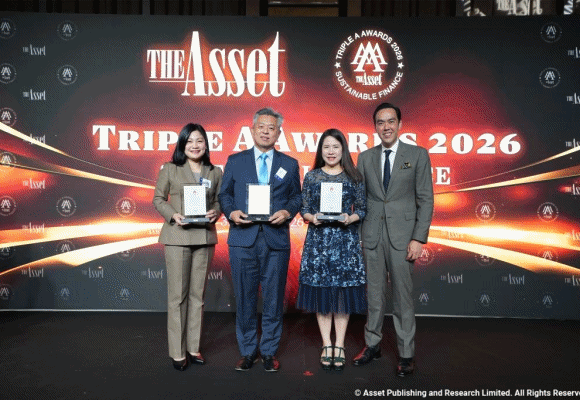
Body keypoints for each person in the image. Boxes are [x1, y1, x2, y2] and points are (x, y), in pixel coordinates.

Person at [353, 103, 434, 377]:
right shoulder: (365, 158)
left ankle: (406, 354)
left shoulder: (418, 154)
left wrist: (418, 238)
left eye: (390, 121)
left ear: (400, 124)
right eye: (380, 122)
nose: (385, 127)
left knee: (402, 298)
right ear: (374, 127)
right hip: (372, 235)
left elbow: (426, 199)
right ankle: (372, 345)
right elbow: (360, 199)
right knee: (373, 295)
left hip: (404, 237)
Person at [218, 108, 301, 372]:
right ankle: (247, 351)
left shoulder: (289, 164)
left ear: (279, 133)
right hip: (243, 239)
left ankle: (268, 351)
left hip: (276, 240)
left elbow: (296, 197)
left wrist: (287, 212)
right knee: (244, 298)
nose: (266, 131)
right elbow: (224, 195)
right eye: (261, 127)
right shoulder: (235, 161)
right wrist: (231, 212)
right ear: (252, 130)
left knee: (274, 298)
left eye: (271, 128)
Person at [153, 123, 222, 371]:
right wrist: (173, 215)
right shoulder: (170, 169)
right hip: (177, 237)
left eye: (199, 141)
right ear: (182, 144)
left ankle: (193, 348)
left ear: (206, 144)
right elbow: (158, 199)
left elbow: (219, 201)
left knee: (197, 297)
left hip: (204, 236)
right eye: (190, 141)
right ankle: (177, 351)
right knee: (177, 297)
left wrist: (216, 211)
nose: (195, 145)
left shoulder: (215, 171)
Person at [297, 128, 366, 371]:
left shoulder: (353, 177)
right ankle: (327, 344)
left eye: (335, 147)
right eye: (326, 147)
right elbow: (304, 208)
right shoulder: (312, 176)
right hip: (319, 244)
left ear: (343, 149)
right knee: (323, 294)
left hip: (346, 243)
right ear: (321, 150)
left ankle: (340, 344)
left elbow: (362, 209)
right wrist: (312, 217)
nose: (331, 151)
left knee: (342, 296)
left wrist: (350, 217)